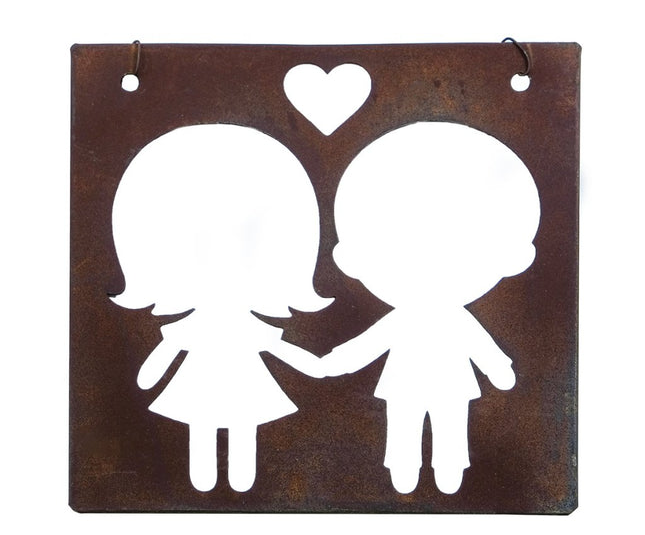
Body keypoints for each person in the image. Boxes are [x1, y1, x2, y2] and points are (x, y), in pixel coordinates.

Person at [281, 122, 540, 494]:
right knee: (405, 431)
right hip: (409, 385)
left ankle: (446, 469)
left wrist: (498, 367)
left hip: (447, 385)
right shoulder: (415, 319)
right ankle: (408, 469)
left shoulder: (452, 319)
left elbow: (483, 348)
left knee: (449, 431)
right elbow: (364, 347)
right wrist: (333, 362)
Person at [112, 124, 331, 492]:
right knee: (204, 427)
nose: (224, 253)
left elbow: (281, 350)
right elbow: (152, 370)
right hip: (204, 385)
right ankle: (208, 480)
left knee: (242, 428)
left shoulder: (241, 324)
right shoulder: (199, 325)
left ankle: (237, 481)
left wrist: (316, 365)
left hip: (241, 385)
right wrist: (316, 366)